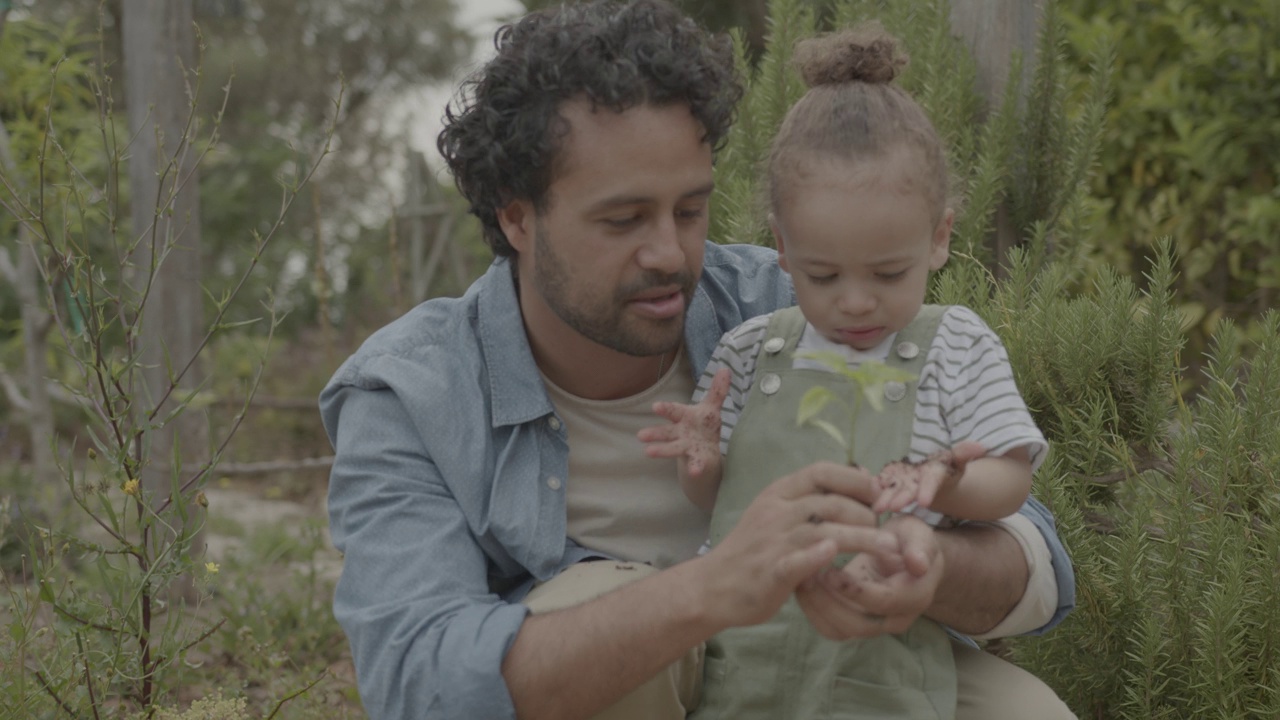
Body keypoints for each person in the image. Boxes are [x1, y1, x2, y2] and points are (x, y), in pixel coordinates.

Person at [318, 2, 1075, 719]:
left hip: (840, 668)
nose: (669, 253)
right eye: (622, 219)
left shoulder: (798, 303)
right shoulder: (409, 393)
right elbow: (417, 680)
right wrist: (713, 587)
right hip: (623, 689)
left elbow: (1033, 562)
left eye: (690, 209)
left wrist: (928, 568)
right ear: (517, 216)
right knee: (590, 610)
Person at [638, 25, 1060, 719]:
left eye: (888, 272)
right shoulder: (750, 351)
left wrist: (949, 485)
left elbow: (1011, 482)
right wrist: (702, 461)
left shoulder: (953, 346)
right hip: (738, 661)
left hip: (880, 664)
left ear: (940, 237)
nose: (857, 300)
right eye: (824, 274)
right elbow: (723, 504)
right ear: (781, 246)